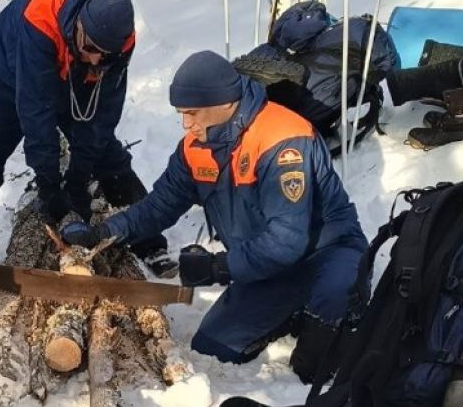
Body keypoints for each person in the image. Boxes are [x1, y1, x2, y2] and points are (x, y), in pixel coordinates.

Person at [60, 50, 369, 383]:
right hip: (267, 269)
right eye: (181, 114)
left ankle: (335, 309)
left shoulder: (282, 142)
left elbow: (287, 240)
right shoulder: (195, 148)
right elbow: (158, 206)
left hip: (325, 253)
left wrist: (218, 267)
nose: (185, 124)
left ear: (226, 102)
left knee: (315, 366)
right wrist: (104, 232)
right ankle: (290, 311)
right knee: (212, 347)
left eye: (192, 113)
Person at [0, 0, 176, 276]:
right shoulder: (39, 20)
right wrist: (49, 186)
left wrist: (78, 180)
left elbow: (103, 115)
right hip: (7, 79)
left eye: (104, 54)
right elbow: (36, 114)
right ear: (79, 25)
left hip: (74, 77)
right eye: (91, 48)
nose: (97, 58)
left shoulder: (117, 44)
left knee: (108, 155)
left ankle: (149, 241)